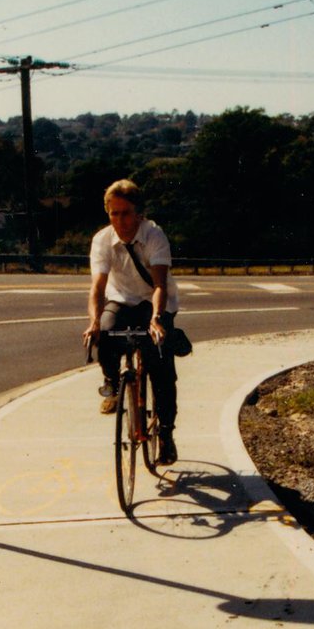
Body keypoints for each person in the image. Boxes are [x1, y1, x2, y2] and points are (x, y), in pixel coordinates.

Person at [83, 179, 179, 466]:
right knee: (107, 333)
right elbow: (97, 288)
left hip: (154, 301)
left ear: (139, 214)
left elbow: (160, 284)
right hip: (121, 299)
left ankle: (166, 435)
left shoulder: (154, 236)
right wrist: (93, 323)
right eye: (114, 213)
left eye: (126, 213)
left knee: (160, 366)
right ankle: (112, 382)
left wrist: (157, 320)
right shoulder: (102, 240)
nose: (120, 220)